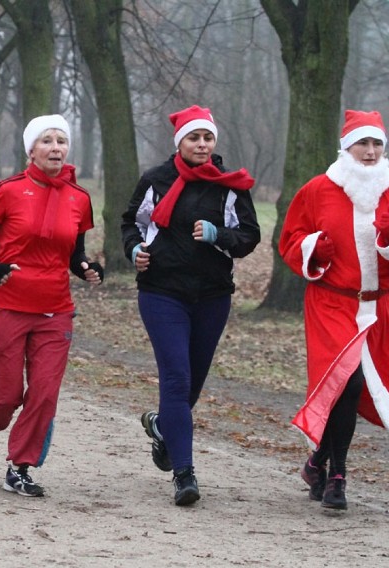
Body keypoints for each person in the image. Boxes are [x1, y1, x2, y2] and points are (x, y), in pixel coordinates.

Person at [121, 105, 260, 506]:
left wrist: (221, 235)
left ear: (214, 142)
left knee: (191, 384)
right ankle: (185, 474)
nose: (201, 144)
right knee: (177, 379)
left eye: (207, 138)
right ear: (179, 142)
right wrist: (134, 251)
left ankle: (164, 427)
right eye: (194, 137)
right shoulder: (156, 180)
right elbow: (131, 222)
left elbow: (249, 237)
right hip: (162, 290)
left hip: (213, 295)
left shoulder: (231, 185)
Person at [0, 114, 103, 497]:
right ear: (31, 150)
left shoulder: (80, 198)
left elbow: (76, 253)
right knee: (4, 397)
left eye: (61, 141)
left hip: (55, 310)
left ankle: (20, 467)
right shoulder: (7, 189)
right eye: (47, 141)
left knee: (44, 393)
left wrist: (87, 268)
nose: (56, 147)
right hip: (5, 305)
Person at [278, 110, 389, 510]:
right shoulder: (318, 189)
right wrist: (313, 249)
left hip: (376, 305)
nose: (369, 152)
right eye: (362, 143)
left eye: (376, 144)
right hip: (331, 302)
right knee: (345, 383)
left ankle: (316, 463)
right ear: (346, 146)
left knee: (381, 385)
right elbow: (290, 238)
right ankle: (338, 476)